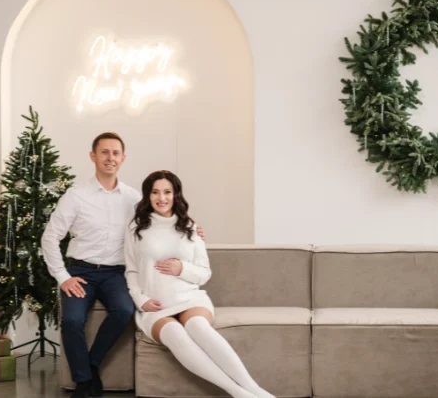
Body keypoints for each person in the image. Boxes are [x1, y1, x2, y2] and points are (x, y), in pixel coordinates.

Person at [41, 133, 203, 398]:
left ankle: (91, 364)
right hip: (80, 271)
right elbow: (50, 237)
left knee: (124, 310)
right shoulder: (76, 196)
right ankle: (84, 381)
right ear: (93, 156)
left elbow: (161, 219)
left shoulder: (132, 198)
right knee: (71, 320)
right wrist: (63, 276)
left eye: (115, 153)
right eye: (104, 152)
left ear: (123, 158)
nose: (110, 158)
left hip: (116, 273)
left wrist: (192, 229)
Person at [124, 170, 274, 398]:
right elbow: (132, 270)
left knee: (197, 327)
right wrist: (141, 300)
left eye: (167, 192)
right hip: (155, 307)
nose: (161, 198)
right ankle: (236, 392)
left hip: (189, 300)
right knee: (174, 332)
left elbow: (204, 273)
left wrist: (181, 268)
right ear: (147, 195)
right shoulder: (135, 228)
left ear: (176, 195)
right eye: (155, 192)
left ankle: (253, 389)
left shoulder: (189, 227)